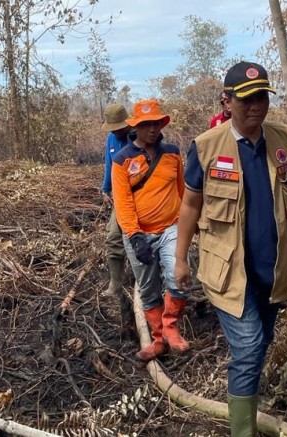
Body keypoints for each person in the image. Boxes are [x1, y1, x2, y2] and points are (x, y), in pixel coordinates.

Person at [174, 61, 287, 436]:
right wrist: (180, 258)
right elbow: (190, 206)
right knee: (248, 348)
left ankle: (245, 399)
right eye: (246, 99)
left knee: (261, 340)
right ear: (227, 101)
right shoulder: (206, 148)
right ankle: (242, 431)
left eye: (261, 97)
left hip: (274, 268)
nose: (255, 107)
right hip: (228, 272)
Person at [111, 99, 190, 362]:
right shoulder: (122, 160)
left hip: (171, 227)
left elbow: (183, 191)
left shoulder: (172, 153)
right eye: (146, 125)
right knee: (147, 288)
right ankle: (158, 339)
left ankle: (170, 326)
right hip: (139, 232)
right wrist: (134, 236)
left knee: (178, 278)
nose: (153, 129)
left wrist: (188, 223)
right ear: (136, 127)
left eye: (156, 123)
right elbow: (122, 202)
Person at [101, 104, 132, 298]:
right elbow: (109, 165)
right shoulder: (111, 139)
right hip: (120, 198)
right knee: (113, 238)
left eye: (119, 126)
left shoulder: (138, 136)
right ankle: (115, 283)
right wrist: (105, 189)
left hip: (140, 196)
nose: (116, 131)